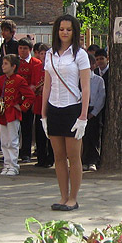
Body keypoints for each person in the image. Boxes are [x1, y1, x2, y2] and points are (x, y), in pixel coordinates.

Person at [41, 14, 90, 211]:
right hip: (54, 107)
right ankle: (62, 196)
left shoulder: (80, 55)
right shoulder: (50, 54)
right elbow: (46, 85)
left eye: (69, 29)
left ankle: (73, 197)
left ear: (74, 32)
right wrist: (43, 114)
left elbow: (85, 87)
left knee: (73, 156)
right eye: (62, 29)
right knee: (58, 156)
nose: (65, 32)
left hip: (73, 109)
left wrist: (83, 116)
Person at [0, 54, 35, 176]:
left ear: (14, 66)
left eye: (6, 64)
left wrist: (22, 107)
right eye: (3, 63)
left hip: (12, 113)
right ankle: (6, 165)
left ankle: (13, 165)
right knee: (4, 141)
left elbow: (30, 96)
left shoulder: (19, 80)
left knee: (12, 140)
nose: (3, 66)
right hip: (2, 114)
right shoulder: (1, 79)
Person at [16, 38, 42, 163]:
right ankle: (12, 152)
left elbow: (36, 82)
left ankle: (26, 153)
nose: (22, 51)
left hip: (28, 99)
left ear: (30, 50)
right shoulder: (13, 61)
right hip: (15, 99)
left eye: (25, 48)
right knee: (13, 128)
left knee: (27, 127)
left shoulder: (36, 63)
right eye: (20, 48)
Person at [82, 52, 105, 172]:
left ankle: (93, 161)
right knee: (83, 137)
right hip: (82, 111)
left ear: (93, 65)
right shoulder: (78, 80)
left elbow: (101, 98)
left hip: (93, 111)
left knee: (94, 137)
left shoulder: (98, 80)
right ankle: (84, 161)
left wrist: (94, 112)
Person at [32, 43, 53, 168]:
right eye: (41, 53)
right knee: (39, 133)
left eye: (46, 53)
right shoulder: (36, 67)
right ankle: (41, 158)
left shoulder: (52, 67)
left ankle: (50, 159)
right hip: (39, 104)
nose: (43, 56)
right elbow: (33, 84)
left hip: (50, 105)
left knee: (50, 134)